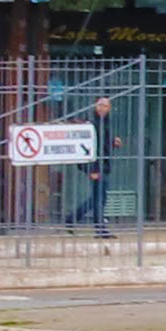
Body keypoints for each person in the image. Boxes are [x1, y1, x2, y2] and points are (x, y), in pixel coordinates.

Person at [64, 96, 112, 236]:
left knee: (98, 197)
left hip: (103, 164)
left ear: (109, 108)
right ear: (95, 106)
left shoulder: (105, 122)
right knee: (99, 198)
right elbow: (85, 146)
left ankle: (72, 218)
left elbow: (102, 143)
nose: (102, 108)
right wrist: (91, 169)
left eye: (105, 106)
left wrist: (113, 141)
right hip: (96, 165)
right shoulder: (91, 123)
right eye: (100, 105)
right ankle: (99, 228)